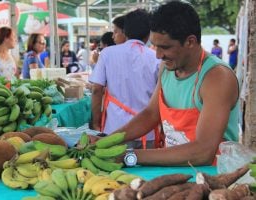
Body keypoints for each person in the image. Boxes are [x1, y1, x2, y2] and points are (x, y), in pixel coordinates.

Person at [93, 1, 239, 166]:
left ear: (190, 42)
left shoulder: (217, 77)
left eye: (165, 47)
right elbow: (151, 114)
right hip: (174, 171)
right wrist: (106, 141)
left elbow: (203, 152)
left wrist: (129, 155)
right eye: (155, 46)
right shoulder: (168, 67)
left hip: (212, 179)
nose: (158, 55)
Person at [89, 9, 161, 149]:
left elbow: (97, 90)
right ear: (149, 34)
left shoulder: (107, 54)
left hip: (115, 131)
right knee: (148, 169)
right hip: (147, 132)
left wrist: (96, 123)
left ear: (125, 31)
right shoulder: (156, 58)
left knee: (115, 170)